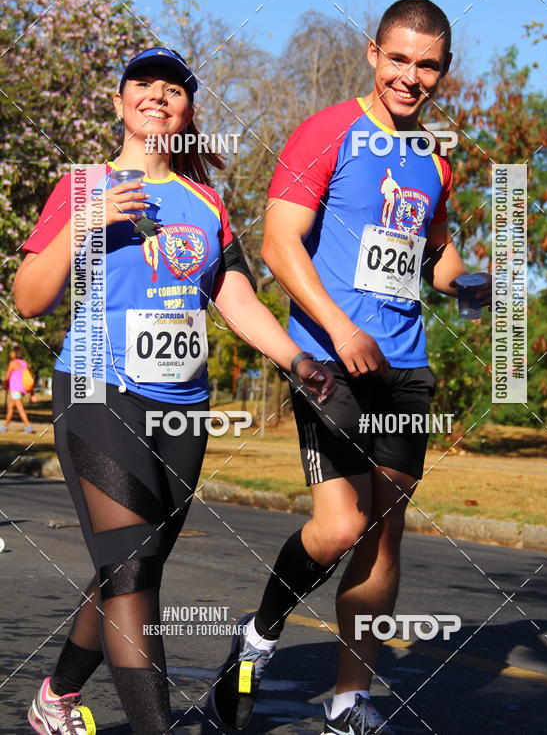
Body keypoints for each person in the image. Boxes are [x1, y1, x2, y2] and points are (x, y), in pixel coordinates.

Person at [14, 47, 334, 735]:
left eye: (174, 90)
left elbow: (234, 297)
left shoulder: (204, 201)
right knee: (131, 569)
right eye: (143, 85)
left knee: (129, 567)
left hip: (184, 411)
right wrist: (88, 222)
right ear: (120, 102)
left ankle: (56, 697)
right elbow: (29, 297)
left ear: (188, 111)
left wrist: (295, 359)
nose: (158, 96)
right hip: (100, 393)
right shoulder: (83, 186)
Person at [211, 0, 493, 734]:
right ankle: (261, 633)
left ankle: (348, 700)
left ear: (444, 71)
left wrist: (467, 281)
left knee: (384, 532)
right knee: (340, 527)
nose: (411, 76)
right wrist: (337, 329)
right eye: (399, 58)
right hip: (330, 367)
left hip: (406, 368)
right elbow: (278, 245)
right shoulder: (326, 132)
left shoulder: (433, 157)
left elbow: (432, 253)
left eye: (427, 64)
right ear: (373, 53)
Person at [1, 346, 34, 433]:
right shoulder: (24, 363)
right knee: (10, 408)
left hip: (15, 389)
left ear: (15, 353)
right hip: (21, 389)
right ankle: (5, 427)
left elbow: (7, 376)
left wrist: (3, 385)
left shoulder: (13, 363)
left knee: (20, 408)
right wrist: (32, 393)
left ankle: (28, 426)